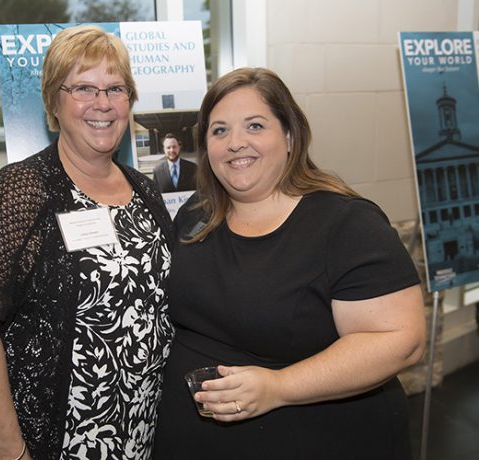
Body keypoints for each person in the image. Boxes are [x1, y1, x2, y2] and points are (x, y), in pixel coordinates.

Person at [152, 67, 426, 460]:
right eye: (220, 130)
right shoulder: (196, 214)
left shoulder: (346, 224)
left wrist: (278, 387)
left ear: (290, 137)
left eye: (255, 125)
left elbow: (401, 340)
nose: (235, 143)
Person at [0, 25, 174, 460]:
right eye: (84, 88)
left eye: (115, 88)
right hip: (54, 440)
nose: (103, 103)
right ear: (54, 101)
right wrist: (10, 450)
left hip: (140, 431)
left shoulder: (144, 190)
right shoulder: (22, 189)